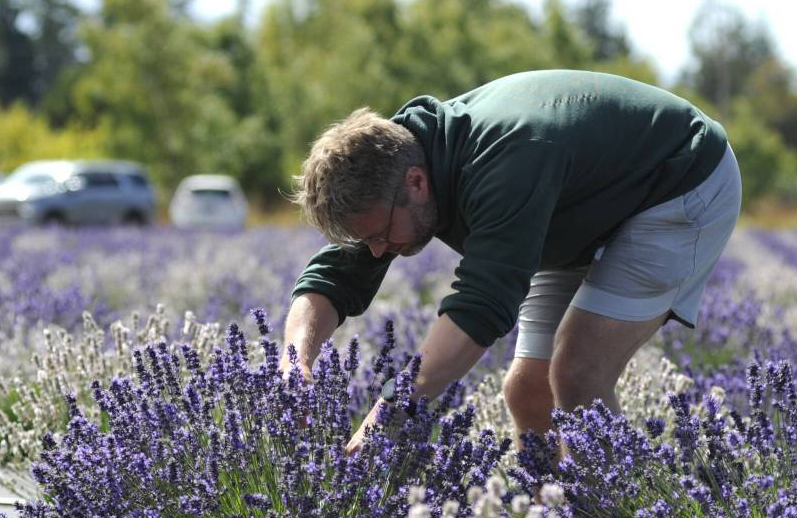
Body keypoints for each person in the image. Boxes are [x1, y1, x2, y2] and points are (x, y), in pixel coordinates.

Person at [281, 69, 742, 455]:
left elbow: (481, 306)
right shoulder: (392, 161)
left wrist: (386, 413)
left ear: (417, 183)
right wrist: (293, 361)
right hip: (576, 208)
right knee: (527, 390)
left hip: (679, 179)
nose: (376, 250)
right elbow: (333, 275)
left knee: (578, 372)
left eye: (380, 235)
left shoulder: (503, 165)